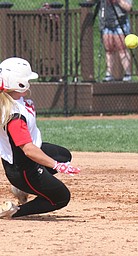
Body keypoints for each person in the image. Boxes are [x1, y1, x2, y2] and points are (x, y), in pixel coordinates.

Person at [0, 57, 80, 219]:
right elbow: (28, 150)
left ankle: (20, 190)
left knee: (64, 155)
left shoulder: (12, 99)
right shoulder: (14, 116)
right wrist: (57, 166)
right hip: (22, 170)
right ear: (18, 83)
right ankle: (14, 211)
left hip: (23, 159)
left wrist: (59, 162)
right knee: (61, 197)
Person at [98, 0, 133, 82]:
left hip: (120, 23)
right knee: (108, 50)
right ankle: (108, 74)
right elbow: (89, 1)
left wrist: (118, 1)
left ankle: (127, 74)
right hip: (106, 23)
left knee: (122, 49)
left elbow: (128, 7)